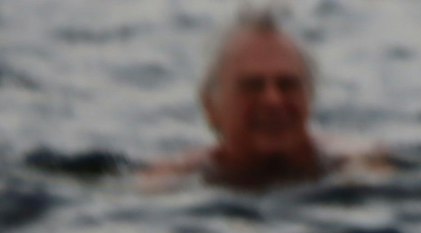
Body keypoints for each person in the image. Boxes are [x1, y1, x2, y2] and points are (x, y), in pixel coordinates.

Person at [142, 7, 391, 191]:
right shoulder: (174, 180)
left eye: (287, 85)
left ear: (310, 98)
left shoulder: (355, 167)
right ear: (211, 107)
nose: (273, 100)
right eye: (252, 86)